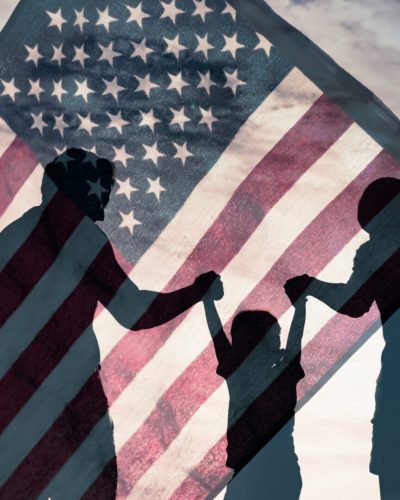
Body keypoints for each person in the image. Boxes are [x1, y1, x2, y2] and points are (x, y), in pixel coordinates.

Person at [0, 148, 220, 499]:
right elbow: (135, 313)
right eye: (102, 190)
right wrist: (196, 291)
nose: (104, 204)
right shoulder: (79, 235)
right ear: (81, 188)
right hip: (69, 397)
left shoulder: (13, 236)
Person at [285, 177, 400, 500]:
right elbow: (356, 302)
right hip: (396, 373)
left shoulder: (375, 249)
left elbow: (354, 302)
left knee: (393, 470)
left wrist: (311, 287)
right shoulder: (375, 249)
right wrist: (312, 287)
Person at [203, 278, 306, 499]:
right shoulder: (281, 372)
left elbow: (218, 338)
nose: (279, 341)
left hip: (258, 472)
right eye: (276, 335)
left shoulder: (240, 376)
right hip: (276, 470)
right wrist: (300, 306)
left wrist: (207, 303)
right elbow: (218, 339)